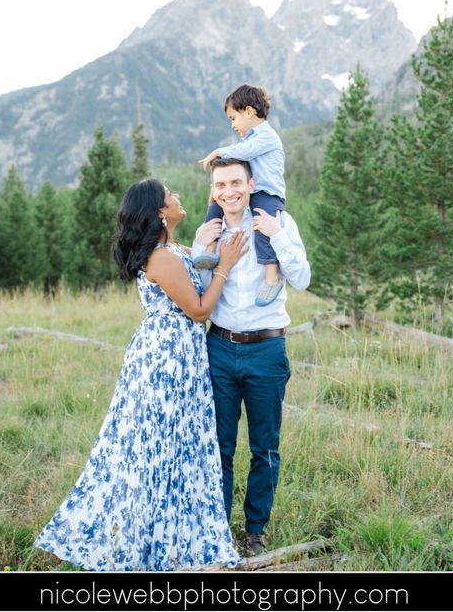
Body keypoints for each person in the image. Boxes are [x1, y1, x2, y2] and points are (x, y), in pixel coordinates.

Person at [34, 178, 248, 571]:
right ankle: (142, 538)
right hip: (165, 362)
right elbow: (199, 310)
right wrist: (227, 268)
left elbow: (200, 257)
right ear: (159, 212)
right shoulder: (161, 257)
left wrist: (218, 195)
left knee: (175, 448)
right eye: (170, 193)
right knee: (157, 449)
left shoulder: (172, 249)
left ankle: (168, 532)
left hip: (180, 357)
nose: (177, 195)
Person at [192, 158, 311, 556]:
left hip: (266, 349)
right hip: (220, 348)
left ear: (251, 183)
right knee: (219, 446)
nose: (229, 191)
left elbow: (304, 278)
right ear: (213, 190)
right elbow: (199, 294)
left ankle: (256, 528)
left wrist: (277, 236)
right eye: (220, 184)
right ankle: (218, 528)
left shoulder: (277, 220)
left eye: (235, 182)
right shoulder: (207, 231)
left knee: (265, 447)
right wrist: (204, 249)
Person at [195, 84, 286, 307]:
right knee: (215, 208)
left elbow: (244, 153)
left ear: (248, 111)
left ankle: (272, 278)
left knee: (263, 229)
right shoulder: (251, 138)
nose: (233, 125)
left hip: (267, 193)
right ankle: (209, 250)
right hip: (251, 190)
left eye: (233, 118)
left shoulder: (268, 137)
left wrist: (219, 152)